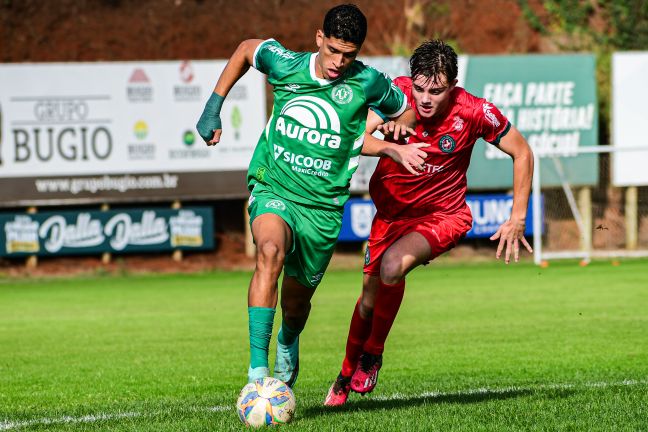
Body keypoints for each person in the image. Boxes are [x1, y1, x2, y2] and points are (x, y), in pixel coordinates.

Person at [196, 4, 426, 387]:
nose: (338, 61)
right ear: (320, 38)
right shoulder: (286, 64)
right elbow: (245, 49)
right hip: (275, 185)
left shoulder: (368, 82)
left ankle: (289, 338)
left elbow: (406, 112)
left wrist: (394, 137)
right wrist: (213, 106)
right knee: (269, 251)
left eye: (348, 54)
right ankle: (257, 374)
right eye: (333, 49)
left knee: (296, 304)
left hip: (322, 207)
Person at [324, 39, 534, 406]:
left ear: (452, 86)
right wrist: (386, 136)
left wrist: (517, 217)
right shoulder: (397, 96)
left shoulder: (475, 111)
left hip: (442, 215)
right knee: (367, 303)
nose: (424, 98)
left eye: (435, 91)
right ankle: (344, 375)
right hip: (389, 216)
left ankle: (373, 353)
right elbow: (355, 136)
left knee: (393, 267)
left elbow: (522, 151)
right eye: (419, 88)